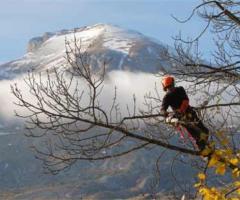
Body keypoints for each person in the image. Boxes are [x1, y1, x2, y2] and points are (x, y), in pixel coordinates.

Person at [160, 75, 209, 151]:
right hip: (181, 118)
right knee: (196, 134)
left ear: (173, 84)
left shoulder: (180, 89)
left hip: (190, 113)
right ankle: (203, 149)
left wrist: (181, 110)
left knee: (205, 131)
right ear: (166, 88)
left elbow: (185, 101)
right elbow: (162, 109)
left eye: (170, 86)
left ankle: (205, 147)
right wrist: (165, 113)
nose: (170, 88)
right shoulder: (167, 97)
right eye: (168, 87)